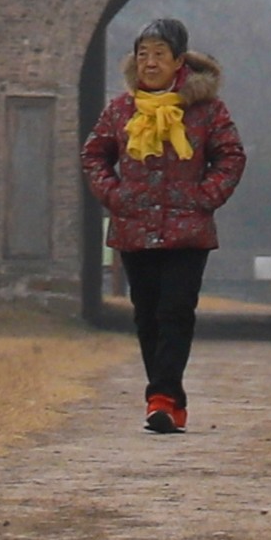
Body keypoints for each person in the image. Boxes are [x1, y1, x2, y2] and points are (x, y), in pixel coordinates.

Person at [82, 21, 244, 431]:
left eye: (159, 54)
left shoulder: (207, 110)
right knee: (148, 315)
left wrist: (204, 196)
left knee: (176, 311)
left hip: (188, 231)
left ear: (179, 61)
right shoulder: (121, 109)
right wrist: (114, 195)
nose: (150, 63)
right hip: (134, 227)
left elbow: (230, 157)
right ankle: (169, 398)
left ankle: (162, 398)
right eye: (143, 55)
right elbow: (94, 154)